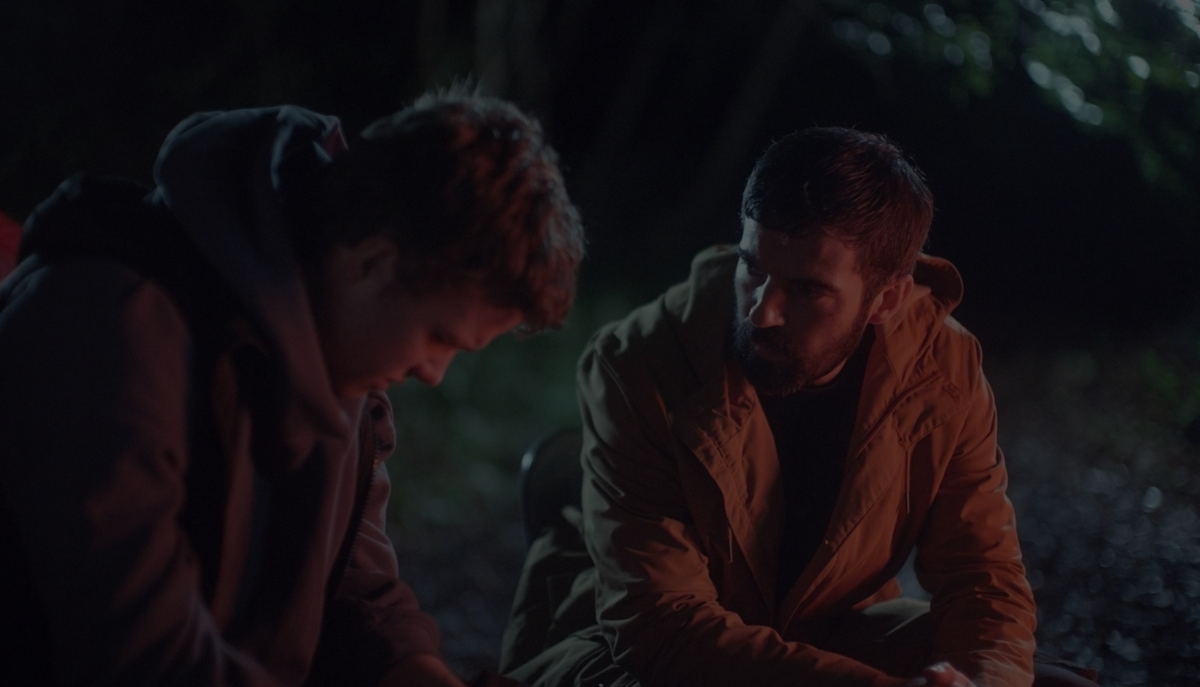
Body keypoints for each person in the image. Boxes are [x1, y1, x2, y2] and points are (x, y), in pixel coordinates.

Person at [0, 90, 584, 686]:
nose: (434, 373)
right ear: (372, 262)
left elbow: (356, 594)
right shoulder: (111, 328)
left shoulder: (344, 374)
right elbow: (140, 652)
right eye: (439, 337)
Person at [500, 128, 1097, 687]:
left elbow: (982, 578)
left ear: (886, 299)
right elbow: (661, 623)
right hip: (620, 646)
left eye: (808, 289)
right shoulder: (639, 362)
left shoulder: (942, 370)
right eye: (752, 267)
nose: (763, 311)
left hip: (830, 630)